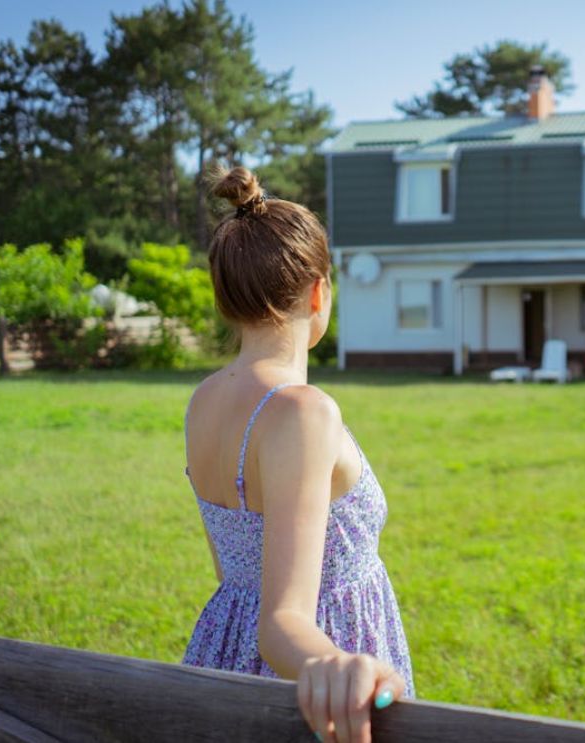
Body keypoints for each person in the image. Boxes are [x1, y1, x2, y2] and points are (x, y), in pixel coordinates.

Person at [181, 166, 413, 743]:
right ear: (318, 292)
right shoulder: (303, 413)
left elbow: (236, 571)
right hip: (318, 689)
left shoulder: (204, 400)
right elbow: (282, 621)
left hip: (219, 657)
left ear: (226, 297)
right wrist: (331, 665)